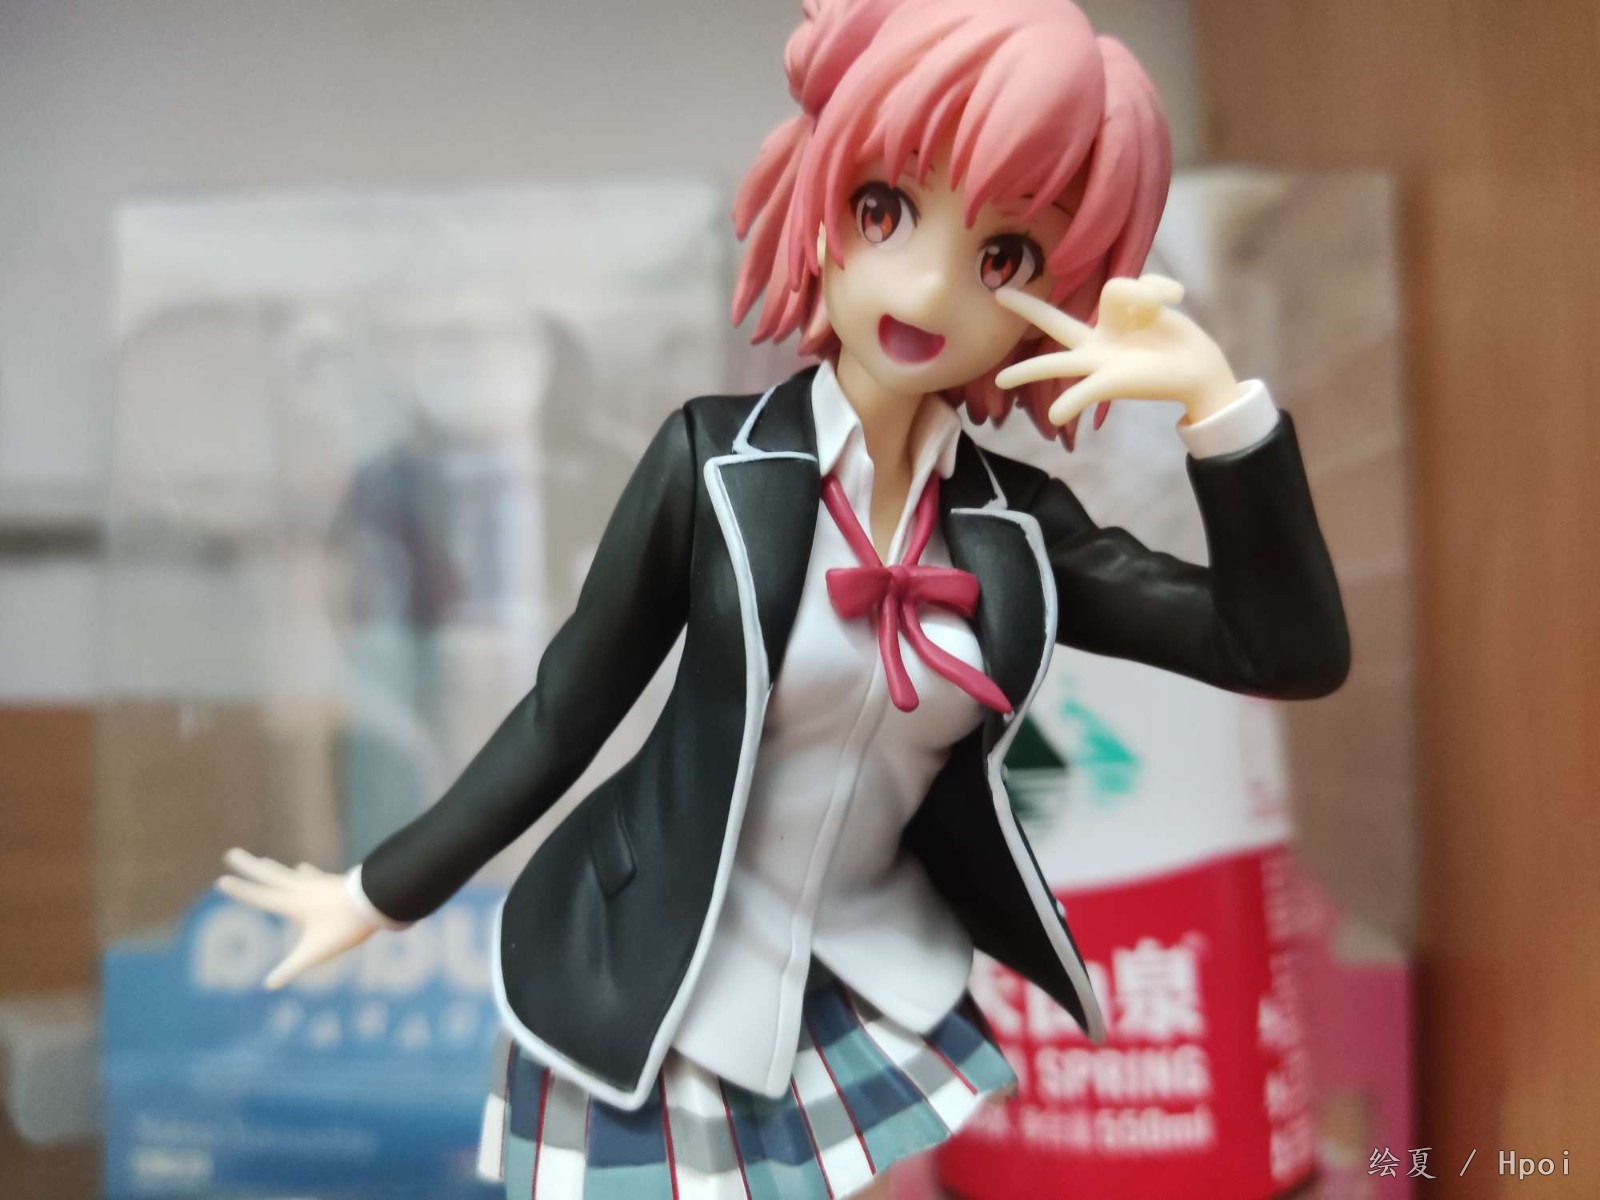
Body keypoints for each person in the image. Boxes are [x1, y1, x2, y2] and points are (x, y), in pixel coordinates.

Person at [217, 1, 1349, 1196]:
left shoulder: (1015, 527)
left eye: (1002, 256)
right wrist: (379, 892)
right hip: (662, 965)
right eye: (884, 210)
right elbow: (567, 709)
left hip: (861, 969)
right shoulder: (713, 464)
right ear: (821, 205)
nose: (929, 285)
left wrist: (1219, 414)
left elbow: (1280, 650)